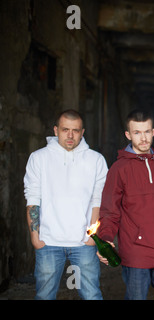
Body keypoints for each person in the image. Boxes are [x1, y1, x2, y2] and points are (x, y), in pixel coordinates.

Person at [97, 109, 154, 300]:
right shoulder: (119, 169)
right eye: (137, 133)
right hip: (135, 252)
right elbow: (110, 211)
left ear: (153, 132)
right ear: (128, 135)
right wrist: (106, 238)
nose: (143, 138)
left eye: (146, 132)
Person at [24, 109, 107, 300]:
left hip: (83, 242)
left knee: (92, 295)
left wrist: (91, 237)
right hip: (48, 241)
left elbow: (98, 199)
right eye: (65, 130)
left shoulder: (96, 160)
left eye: (75, 131)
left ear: (82, 132)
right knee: (44, 296)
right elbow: (33, 198)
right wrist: (35, 238)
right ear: (55, 130)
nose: (70, 135)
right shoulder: (38, 158)